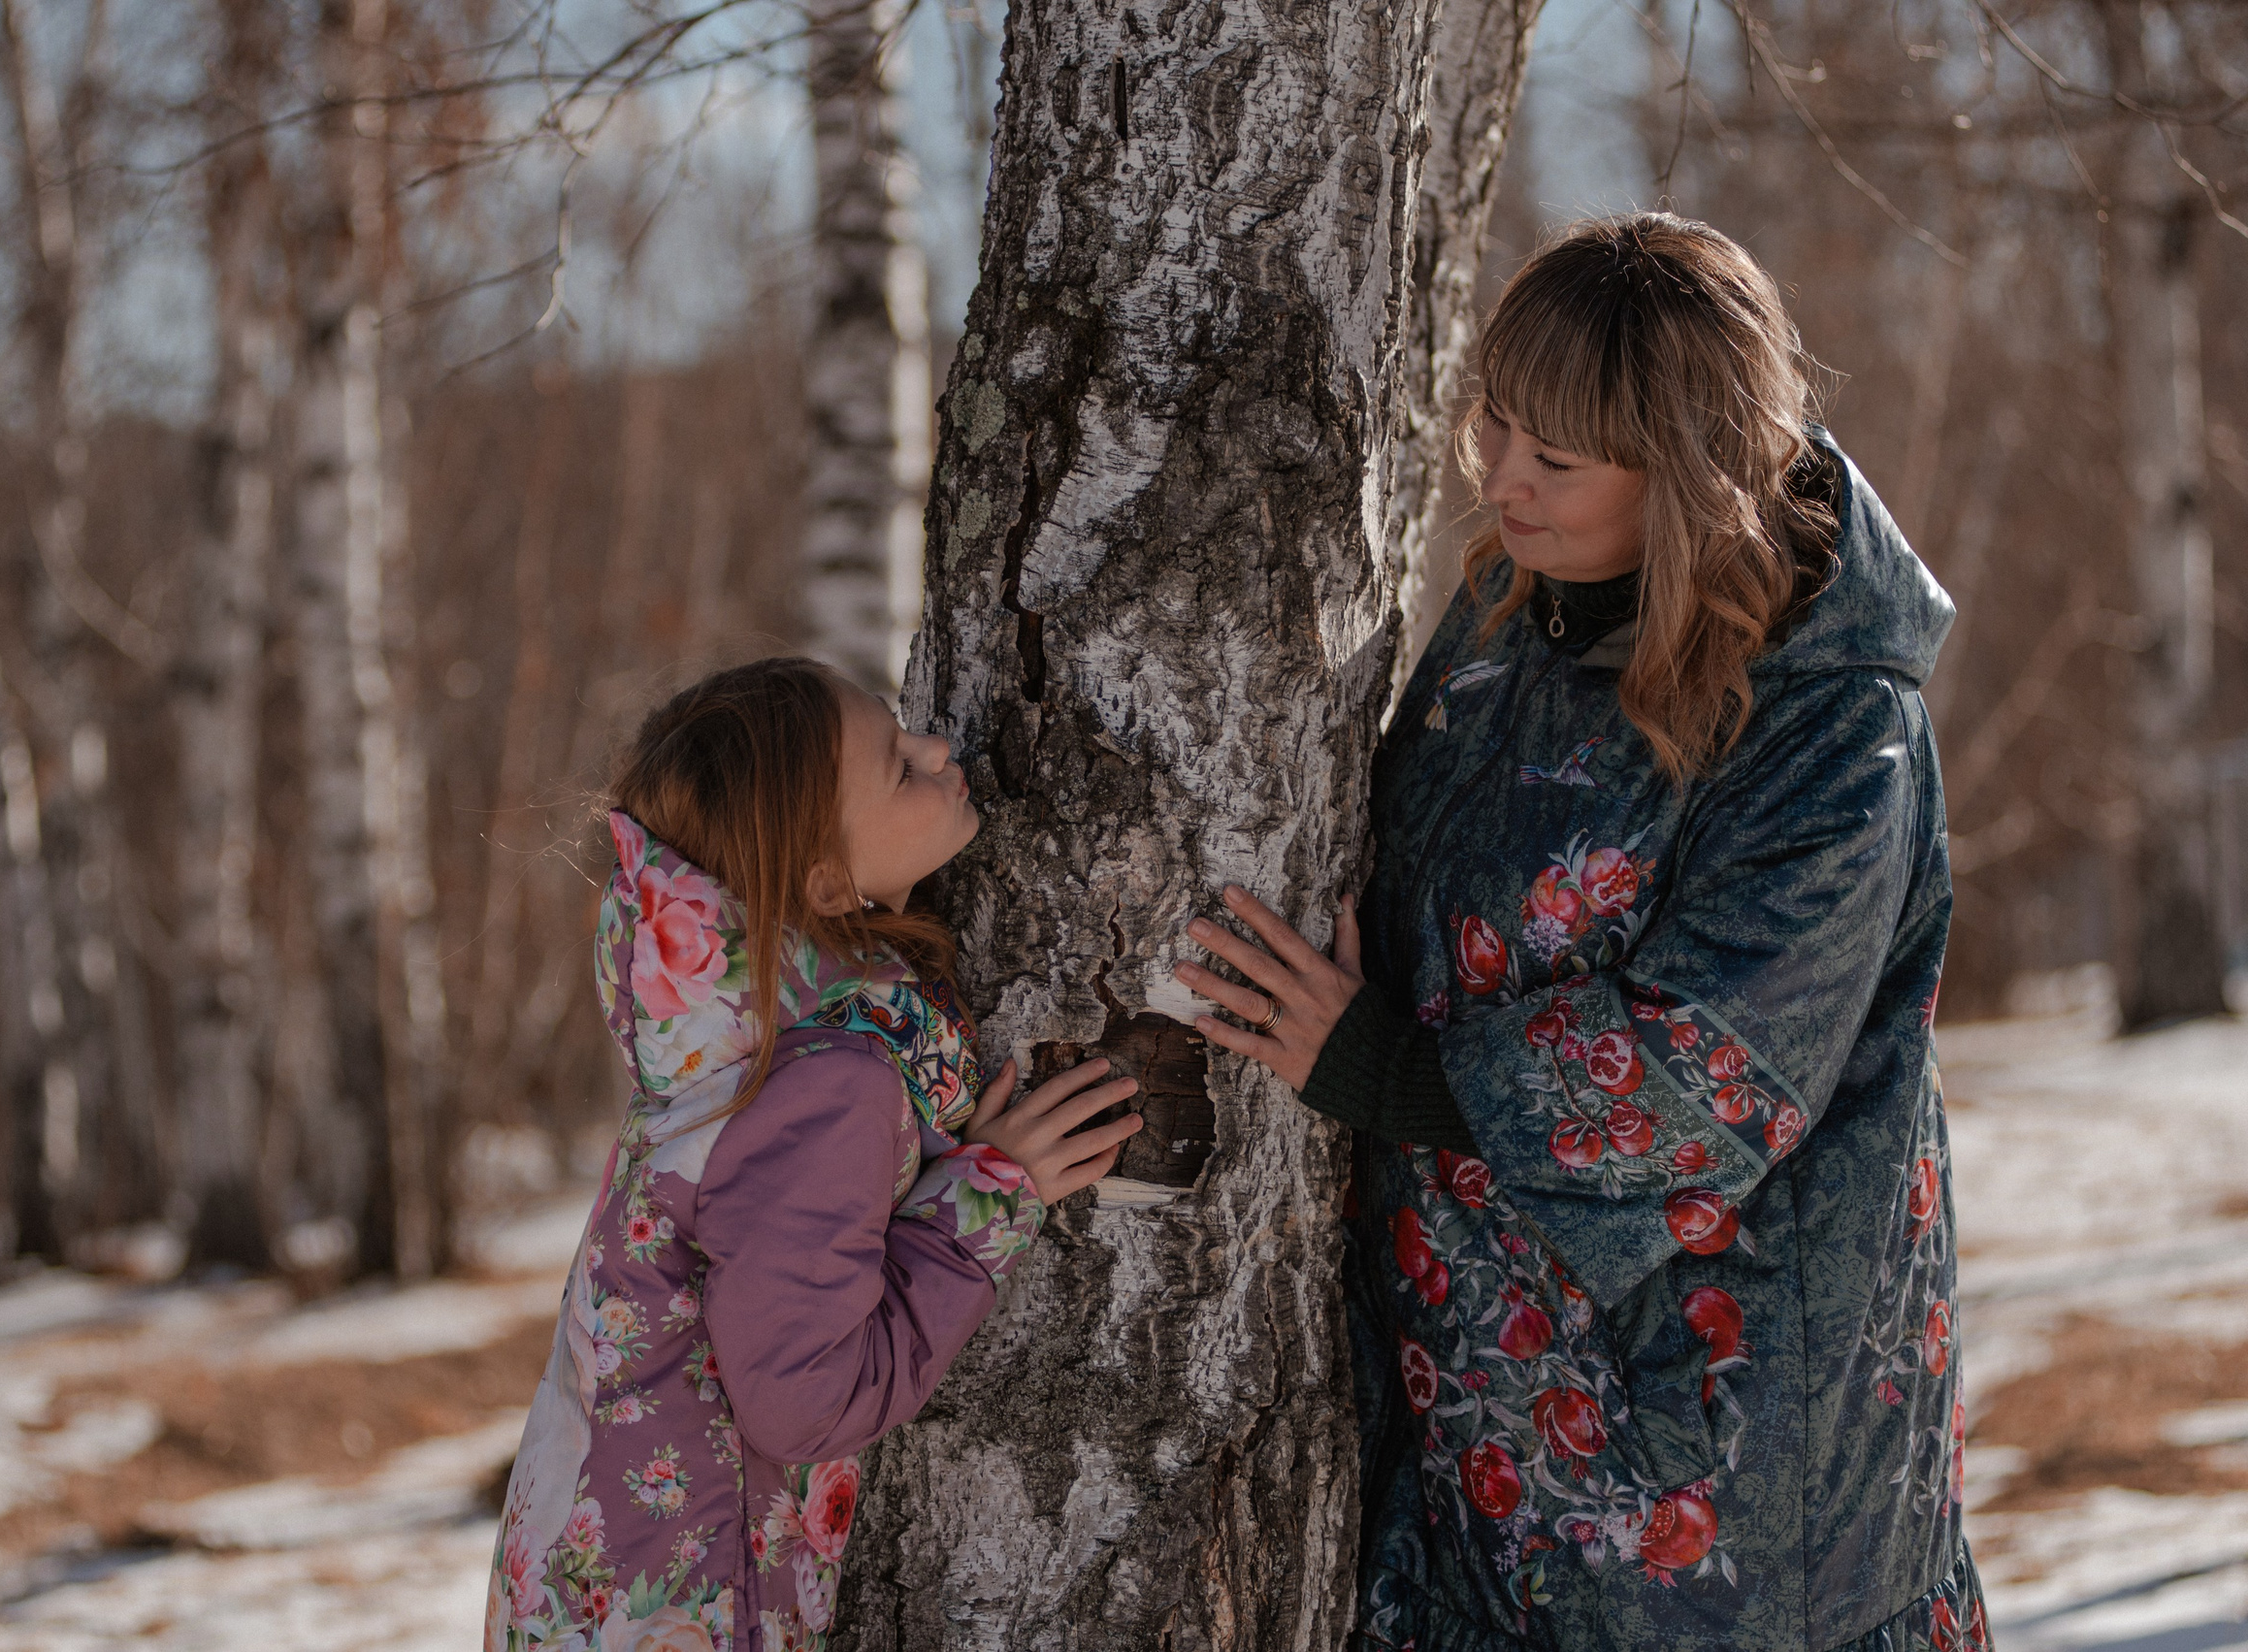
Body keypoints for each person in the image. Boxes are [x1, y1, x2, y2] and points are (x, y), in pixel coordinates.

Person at [1176, 215, 1987, 1648]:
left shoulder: (1834, 724)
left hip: (1728, 1483)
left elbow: (1712, 1063)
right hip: (1481, 1421)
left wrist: (1382, 1069)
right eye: (1494, 424)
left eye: (1555, 458)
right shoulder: (1510, 611)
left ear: (1688, 473)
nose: (1500, 480)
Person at [486, 657, 1141, 1651]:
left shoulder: (727, 1036)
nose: (940, 747)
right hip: (695, 1610)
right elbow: (804, 1399)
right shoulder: (828, 1085)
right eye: (899, 765)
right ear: (827, 880)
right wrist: (986, 1201)